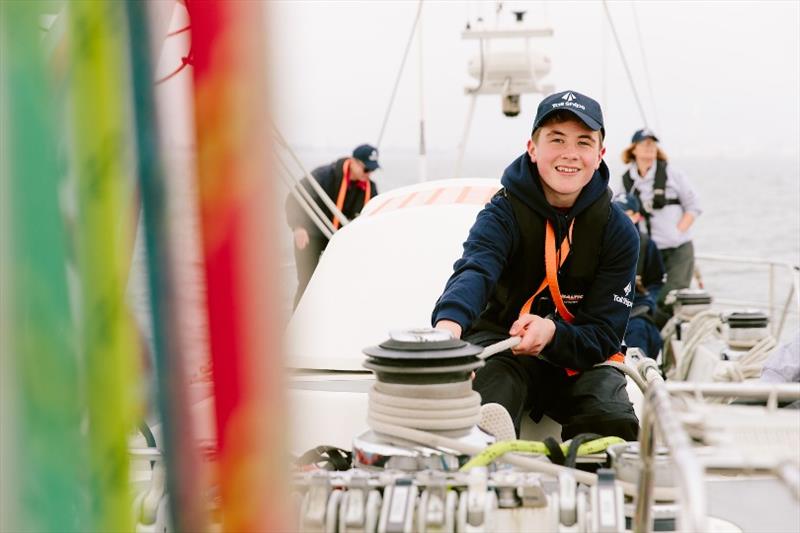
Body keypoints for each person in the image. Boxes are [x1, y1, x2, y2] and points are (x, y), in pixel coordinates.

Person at [432, 90, 640, 442]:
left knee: (610, 417)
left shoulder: (617, 230)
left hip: (581, 353)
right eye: (556, 139)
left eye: (584, 142)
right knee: (483, 409)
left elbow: (604, 334)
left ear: (600, 154)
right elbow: (475, 270)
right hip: (503, 344)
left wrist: (552, 334)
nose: (570, 154)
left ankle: (595, 490)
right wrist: (446, 335)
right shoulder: (503, 211)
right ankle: (489, 482)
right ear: (532, 148)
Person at [620, 129, 702, 324]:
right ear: (634, 149)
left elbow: (694, 206)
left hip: (677, 249)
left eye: (653, 144)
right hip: (647, 252)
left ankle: (665, 337)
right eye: (644, 143)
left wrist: (677, 231)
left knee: (670, 296)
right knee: (643, 296)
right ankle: (651, 338)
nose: (650, 148)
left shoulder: (673, 175)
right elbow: (617, 210)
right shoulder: (626, 180)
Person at [285, 144, 380, 307]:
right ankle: (298, 322)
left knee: (341, 284)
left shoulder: (370, 188)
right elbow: (294, 199)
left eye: (372, 170)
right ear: (353, 162)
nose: (369, 174)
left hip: (337, 238)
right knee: (307, 283)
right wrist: (298, 227)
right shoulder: (324, 176)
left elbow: (373, 216)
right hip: (310, 234)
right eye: (366, 169)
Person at [612, 193, 666, 360]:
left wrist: (649, 300)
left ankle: (640, 373)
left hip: (636, 308)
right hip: (608, 307)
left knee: (639, 330)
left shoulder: (646, 244)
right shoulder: (602, 241)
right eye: (616, 213)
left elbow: (657, 280)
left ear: (637, 216)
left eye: (626, 214)